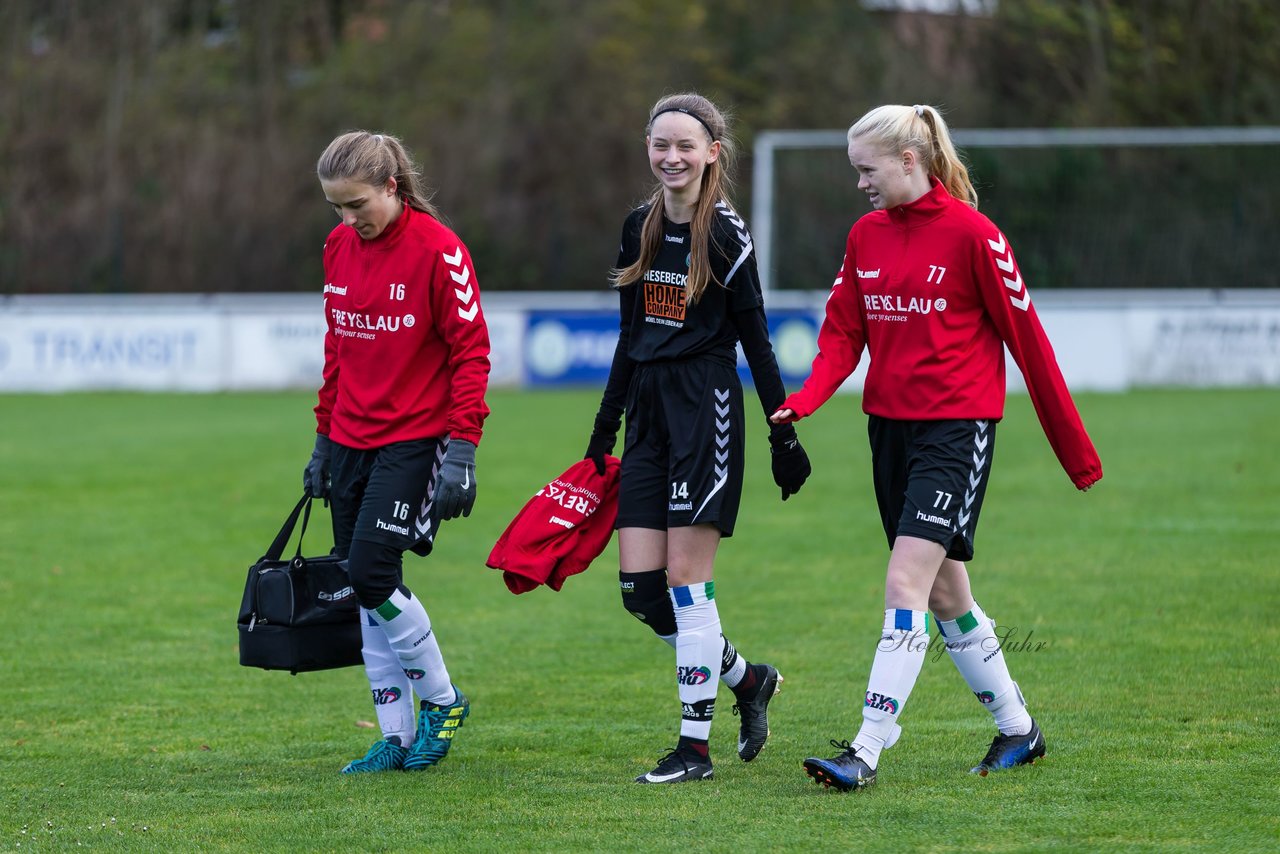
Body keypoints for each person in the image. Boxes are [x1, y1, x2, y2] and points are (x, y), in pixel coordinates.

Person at [771, 104, 1102, 792]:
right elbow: (842, 333)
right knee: (947, 592)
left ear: (908, 161)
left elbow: (1030, 343)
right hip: (887, 430)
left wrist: (1076, 454)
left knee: (905, 585)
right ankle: (1020, 729)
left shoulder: (976, 237)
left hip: (957, 430)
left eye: (867, 169)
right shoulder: (865, 236)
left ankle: (863, 749)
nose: (859, 183)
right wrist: (802, 402)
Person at [585, 92, 813, 784]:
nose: (671, 157)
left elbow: (757, 341)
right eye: (661, 145)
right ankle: (748, 681)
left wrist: (783, 433)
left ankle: (694, 749)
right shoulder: (638, 228)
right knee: (639, 591)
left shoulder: (727, 235)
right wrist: (605, 426)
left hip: (705, 408)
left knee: (687, 584)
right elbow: (631, 337)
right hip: (649, 414)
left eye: (686, 145)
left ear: (713, 151)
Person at [303, 130, 491, 774]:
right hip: (350, 438)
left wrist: (462, 449)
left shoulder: (440, 252)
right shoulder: (336, 247)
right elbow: (338, 348)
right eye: (336, 208)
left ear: (392, 186)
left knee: (371, 575)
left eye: (357, 204)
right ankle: (396, 735)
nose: (348, 220)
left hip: (414, 439)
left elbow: (472, 353)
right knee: (365, 586)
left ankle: (442, 701)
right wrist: (323, 440)